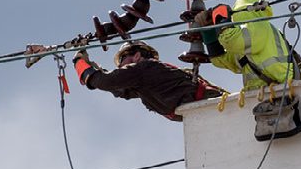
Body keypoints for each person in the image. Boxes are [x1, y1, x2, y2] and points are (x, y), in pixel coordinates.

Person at [72, 40, 224, 121]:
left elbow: (106, 81)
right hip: (204, 110)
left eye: (122, 60)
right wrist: (92, 66)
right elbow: (118, 89)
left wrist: (79, 63)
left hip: (211, 105)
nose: (120, 66)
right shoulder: (146, 80)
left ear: (137, 56)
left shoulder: (144, 68)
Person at [194, 0, 301, 91]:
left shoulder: (260, 27)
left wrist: (221, 17)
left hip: (290, 90)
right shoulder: (247, 44)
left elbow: (230, 40)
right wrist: (209, 31)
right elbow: (221, 59)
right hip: (269, 94)